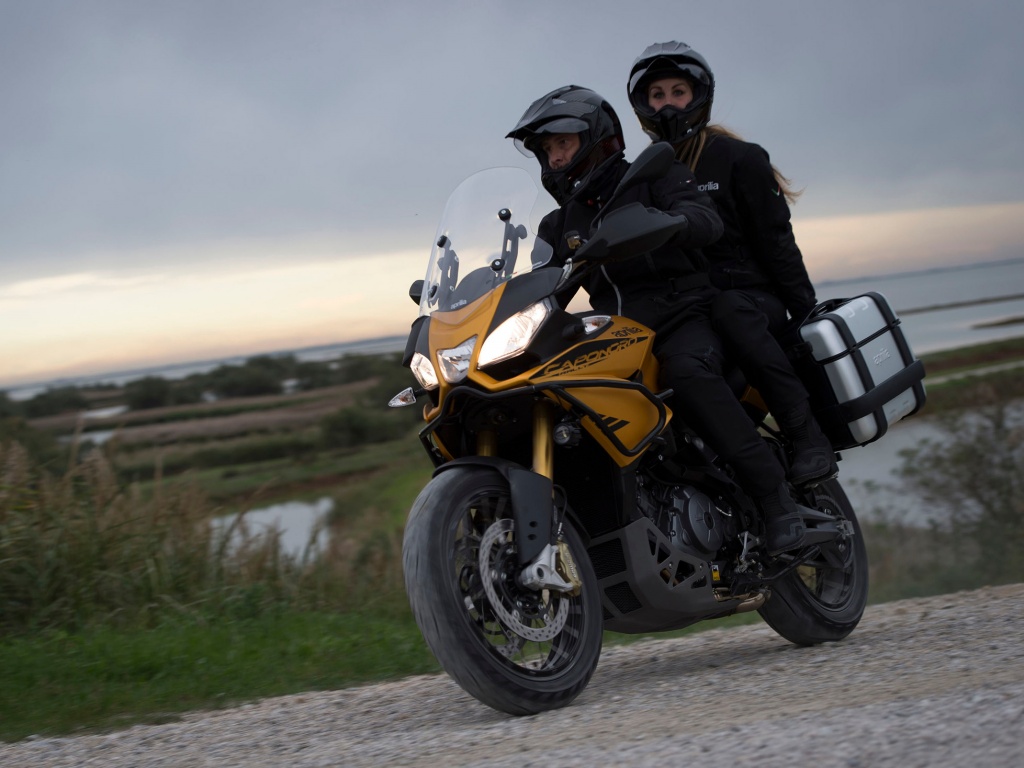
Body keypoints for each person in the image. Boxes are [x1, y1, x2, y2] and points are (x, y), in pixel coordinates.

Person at [506, 85, 807, 554]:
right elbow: (543, 290)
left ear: (596, 139)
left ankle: (776, 500)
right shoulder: (558, 225)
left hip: (685, 317)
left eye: (562, 143)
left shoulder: (654, 176)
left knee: (686, 372)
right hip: (619, 334)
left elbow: (706, 220)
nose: (556, 158)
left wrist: (671, 223)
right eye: (547, 150)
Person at [626, 41, 837, 486]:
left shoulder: (738, 158)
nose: (668, 104)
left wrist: (805, 315)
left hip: (750, 300)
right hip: (690, 309)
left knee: (731, 309)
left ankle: (806, 436)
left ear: (698, 96)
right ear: (643, 105)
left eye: (678, 91)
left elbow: (778, 244)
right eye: (657, 95)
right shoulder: (640, 175)